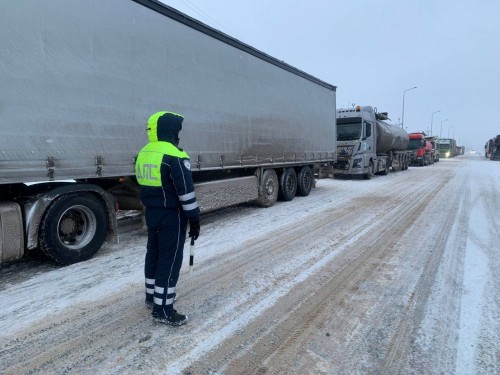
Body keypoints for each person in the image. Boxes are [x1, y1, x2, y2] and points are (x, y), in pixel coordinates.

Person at [135, 111, 200, 326]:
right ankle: (163, 309)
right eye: (177, 129)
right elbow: (186, 192)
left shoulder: (144, 152)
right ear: (171, 130)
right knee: (170, 260)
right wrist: (195, 218)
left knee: (153, 254)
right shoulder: (175, 155)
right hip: (172, 215)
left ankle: (152, 296)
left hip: (152, 212)